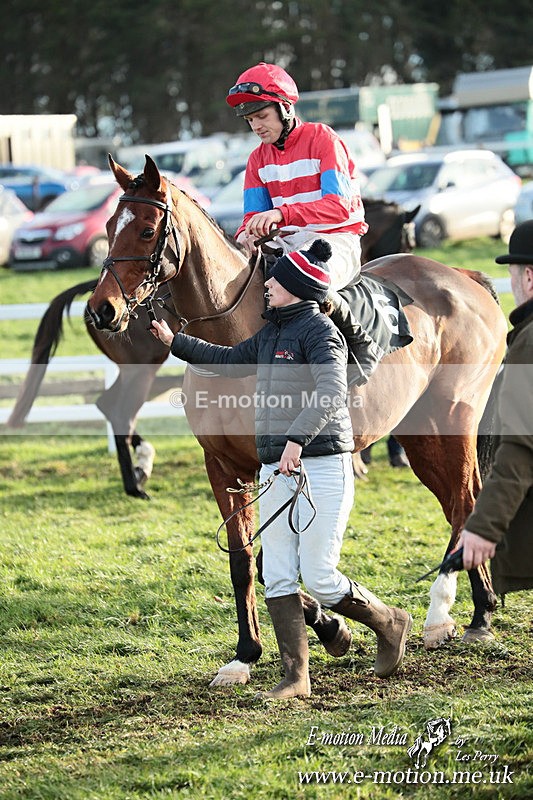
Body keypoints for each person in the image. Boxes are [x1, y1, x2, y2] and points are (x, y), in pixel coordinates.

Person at [151, 239, 411, 699]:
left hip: (321, 465)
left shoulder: (321, 333)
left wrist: (296, 441)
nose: (266, 285)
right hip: (277, 468)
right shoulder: (270, 334)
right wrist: (177, 343)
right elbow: (228, 360)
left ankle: (389, 621)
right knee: (277, 575)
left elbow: (331, 392)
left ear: (294, 289)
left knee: (321, 577)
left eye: (274, 281)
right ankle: (296, 677)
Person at [226, 62, 383, 387]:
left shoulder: (323, 139)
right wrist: (246, 235)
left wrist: (282, 215)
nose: (256, 126)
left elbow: (338, 206)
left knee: (302, 280)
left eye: (262, 116)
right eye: (250, 120)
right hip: (286, 244)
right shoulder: (257, 159)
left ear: (285, 108)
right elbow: (251, 218)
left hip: (335, 239)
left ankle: (361, 346)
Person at [459, 220, 533, 595]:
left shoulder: (529, 343)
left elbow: (520, 449)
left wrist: (483, 528)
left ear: (529, 277)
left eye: (514, 274)